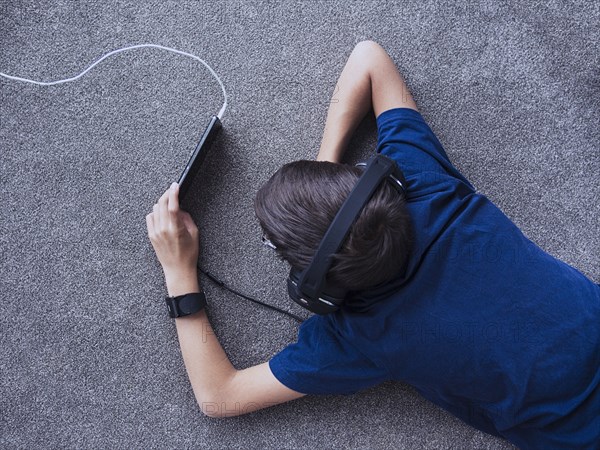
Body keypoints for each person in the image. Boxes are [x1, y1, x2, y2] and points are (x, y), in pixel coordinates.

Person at [146, 40, 599, 449]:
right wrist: (326, 184)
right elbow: (369, 57)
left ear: (316, 291)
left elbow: (218, 397)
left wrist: (178, 270)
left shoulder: (360, 336)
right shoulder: (425, 185)